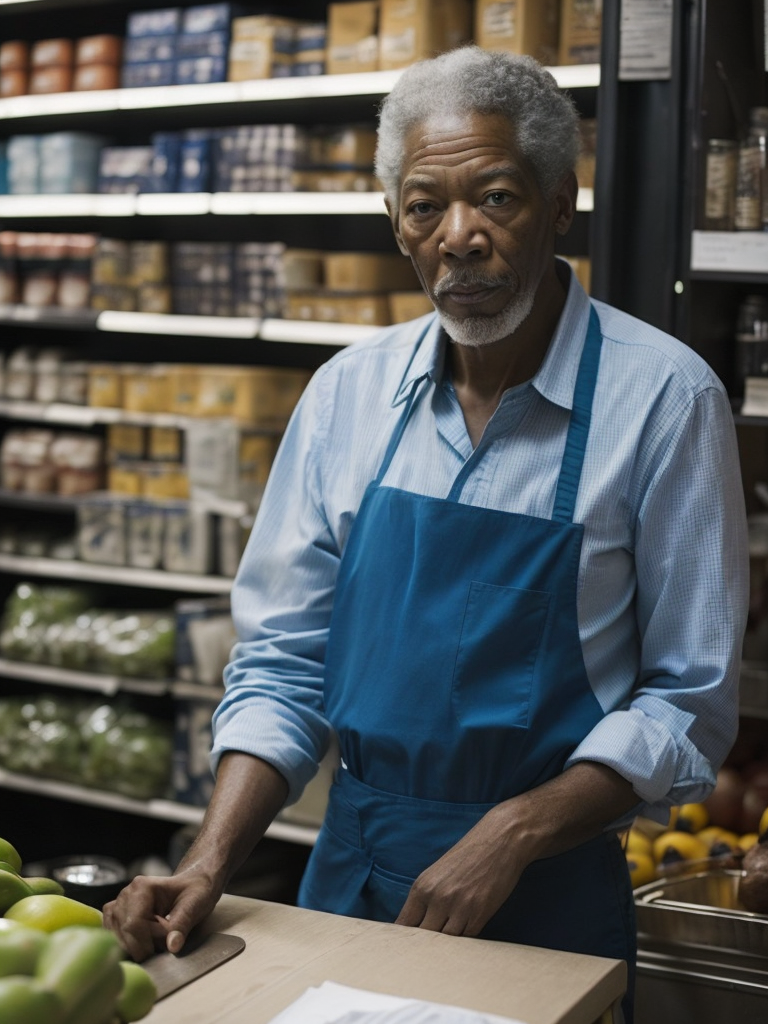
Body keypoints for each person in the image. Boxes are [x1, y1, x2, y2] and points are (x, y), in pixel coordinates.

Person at [104, 47, 749, 1022]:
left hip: (548, 891)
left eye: (495, 197)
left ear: (560, 202)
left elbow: (687, 698)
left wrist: (514, 830)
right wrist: (207, 860)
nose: (461, 237)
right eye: (423, 206)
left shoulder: (664, 399)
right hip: (352, 880)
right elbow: (283, 663)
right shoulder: (345, 398)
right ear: (396, 223)